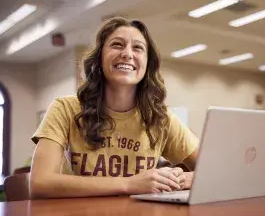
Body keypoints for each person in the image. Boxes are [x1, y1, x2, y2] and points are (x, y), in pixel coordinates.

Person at [29, 16, 199, 199]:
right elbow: (40, 183)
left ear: (147, 64)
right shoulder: (65, 108)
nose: (127, 54)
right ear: (99, 58)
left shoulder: (161, 117)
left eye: (138, 48)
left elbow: (214, 171)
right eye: (117, 45)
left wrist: (185, 179)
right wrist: (128, 184)